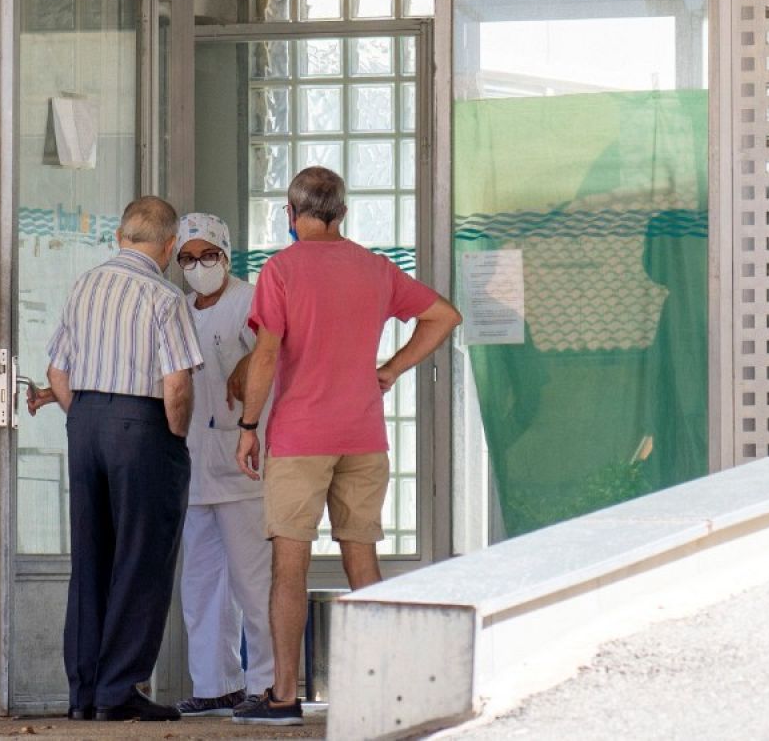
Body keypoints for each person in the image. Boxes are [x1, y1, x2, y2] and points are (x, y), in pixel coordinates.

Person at [230, 167, 463, 726]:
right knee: (362, 560)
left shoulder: (281, 270)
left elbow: (266, 355)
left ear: (290, 213)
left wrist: (249, 425)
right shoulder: (376, 268)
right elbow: (444, 316)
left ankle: (283, 697)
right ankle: (387, 696)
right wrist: (391, 370)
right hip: (363, 434)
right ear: (343, 213)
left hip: (301, 436)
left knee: (290, 567)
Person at [29, 196, 204, 722]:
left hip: (85, 421)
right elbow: (177, 384)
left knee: (91, 559)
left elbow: (57, 371)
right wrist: (174, 438)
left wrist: (87, 417)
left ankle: (83, 693)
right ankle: (119, 689)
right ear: (170, 246)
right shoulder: (164, 296)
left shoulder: (85, 285)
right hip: (143, 426)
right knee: (141, 558)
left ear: (120, 237)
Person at [168, 213, 274, 718]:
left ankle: (269, 683)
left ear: (226, 255)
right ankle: (216, 685)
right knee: (201, 584)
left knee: (254, 583)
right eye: (187, 259)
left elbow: (278, 352)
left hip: (243, 465)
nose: (198, 266)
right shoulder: (177, 309)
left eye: (208, 255)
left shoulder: (251, 301)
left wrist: (248, 363)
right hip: (193, 466)